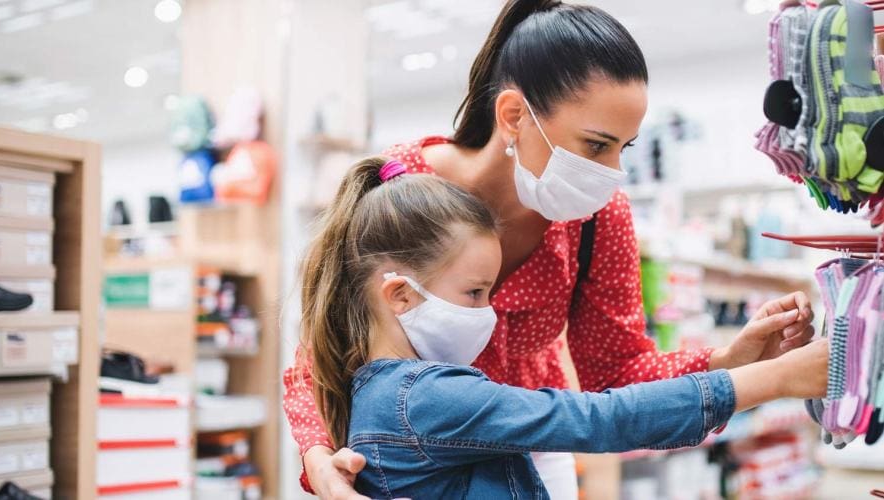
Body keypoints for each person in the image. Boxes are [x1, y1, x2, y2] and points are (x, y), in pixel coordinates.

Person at [284, 2, 817, 497]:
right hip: (422, 456)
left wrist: (726, 362)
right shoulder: (403, 187)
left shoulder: (596, 216)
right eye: (595, 145)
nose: (612, 173)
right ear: (514, 116)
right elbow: (328, 340)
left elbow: (617, 374)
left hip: (541, 442)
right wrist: (316, 455)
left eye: (623, 148)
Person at [296, 156, 828, 499]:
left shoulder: (379, 391)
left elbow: (614, 375)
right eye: (476, 293)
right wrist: (777, 380)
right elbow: (600, 419)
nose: (489, 311)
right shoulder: (426, 397)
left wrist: (728, 362)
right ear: (401, 295)